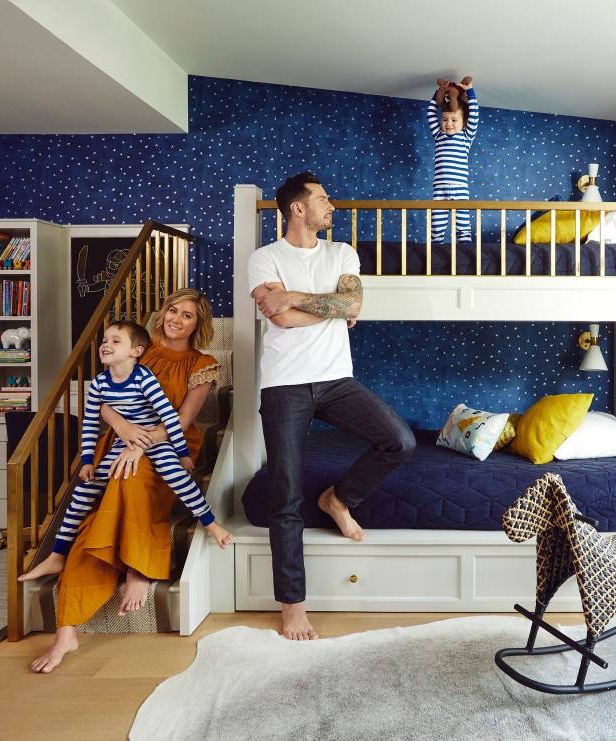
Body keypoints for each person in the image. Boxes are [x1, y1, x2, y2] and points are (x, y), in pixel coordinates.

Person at [248, 171, 416, 641]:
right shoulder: (264, 258)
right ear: (296, 208)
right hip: (284, 385)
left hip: (336, 381)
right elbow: (279, 316)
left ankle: (338, 499)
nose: (331, 206)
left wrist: (298, 298)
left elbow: (352, 303)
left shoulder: (342, 253)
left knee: (398, 441)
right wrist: (328, 306)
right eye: (322, 199)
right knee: (284, 492)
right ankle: (293, 606)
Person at [21, 289, 225, 673]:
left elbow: (180, 421)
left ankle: (138, 569)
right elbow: (104, 403)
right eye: (172, 311)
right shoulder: (136, 348)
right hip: (121, 439)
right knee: (95, 512)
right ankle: (66, 631)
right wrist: (124, 429)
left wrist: (141, 443)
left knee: (129, 481)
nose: (176, 320)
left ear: (199, 325)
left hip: (167, 443)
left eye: (187, 316)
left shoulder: (203, 363)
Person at [35, 320, 231, 558]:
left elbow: (169, 416)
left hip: (157, 440)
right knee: (84, 491)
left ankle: (210, 523)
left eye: (116, 341)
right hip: (125, 441)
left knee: (176, 477)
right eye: (105, 341)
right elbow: (89, 423)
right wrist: (87, 460)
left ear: (136, 352)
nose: (107, 345)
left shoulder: (144, 378)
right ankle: (58, 554)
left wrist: (182, 453)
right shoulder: (99, 384)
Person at [426, 76, 479, 242]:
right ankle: (436, 249)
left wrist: (470, 90)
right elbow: (430, 114)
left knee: (463, 226)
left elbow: (475, 116)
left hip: (460, 188)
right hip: (439, 189)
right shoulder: (438, 135)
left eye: (454, 120)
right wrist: (439, 93)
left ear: (463, 122)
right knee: (436, 226)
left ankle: (465, 250)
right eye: (445, 119)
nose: (449, 123)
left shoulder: (465, 137)